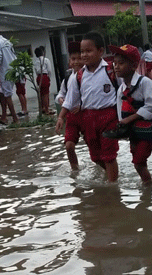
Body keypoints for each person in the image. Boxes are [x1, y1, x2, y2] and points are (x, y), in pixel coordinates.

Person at [55, 31, 120, 182]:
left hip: (108, 117)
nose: (84, 55)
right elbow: (70, 100)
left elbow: (125, 92)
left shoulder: (111, 70)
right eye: (82, 51)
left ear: (100, 51)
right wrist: (60, 117)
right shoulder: (78, 76)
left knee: (109, 155)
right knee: (96, 157)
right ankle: (113, 175)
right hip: (88, 119)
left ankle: (113, 187)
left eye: (88, 51)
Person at [109, 45, 152, 185]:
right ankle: (147, 184)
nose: (116, 67)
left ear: (133, 66)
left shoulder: (146, 83)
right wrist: (120, 127)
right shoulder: (121, 90)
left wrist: (129, 119)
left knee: (138, 163)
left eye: (121, 63)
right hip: (133, 132)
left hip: (148, 130)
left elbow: (151, 107)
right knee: (138, 162)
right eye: (115, 63)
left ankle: (148, 189)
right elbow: (120, 114)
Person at [55, 41, 83, 170]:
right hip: (71, 115)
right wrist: (61, 99)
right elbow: (61, 94)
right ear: (69, 62)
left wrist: (82, 105)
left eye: (79, 58)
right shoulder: (67, 78)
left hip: (85, 115)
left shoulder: (87, 75)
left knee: (95, 147)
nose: (76, 62)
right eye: (73, 59)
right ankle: (75, 170)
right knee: (69, 146)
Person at [34, 46, 54, 115]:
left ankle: (43, 107)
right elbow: (49, 70)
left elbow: (36, 71)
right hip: (44, 76)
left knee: (41, 94)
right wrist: (49, 77)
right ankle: (47, 110)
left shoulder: (36, 61)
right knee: (46, 94)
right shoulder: (46, 60)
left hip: (39, 77)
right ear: (42, 52)